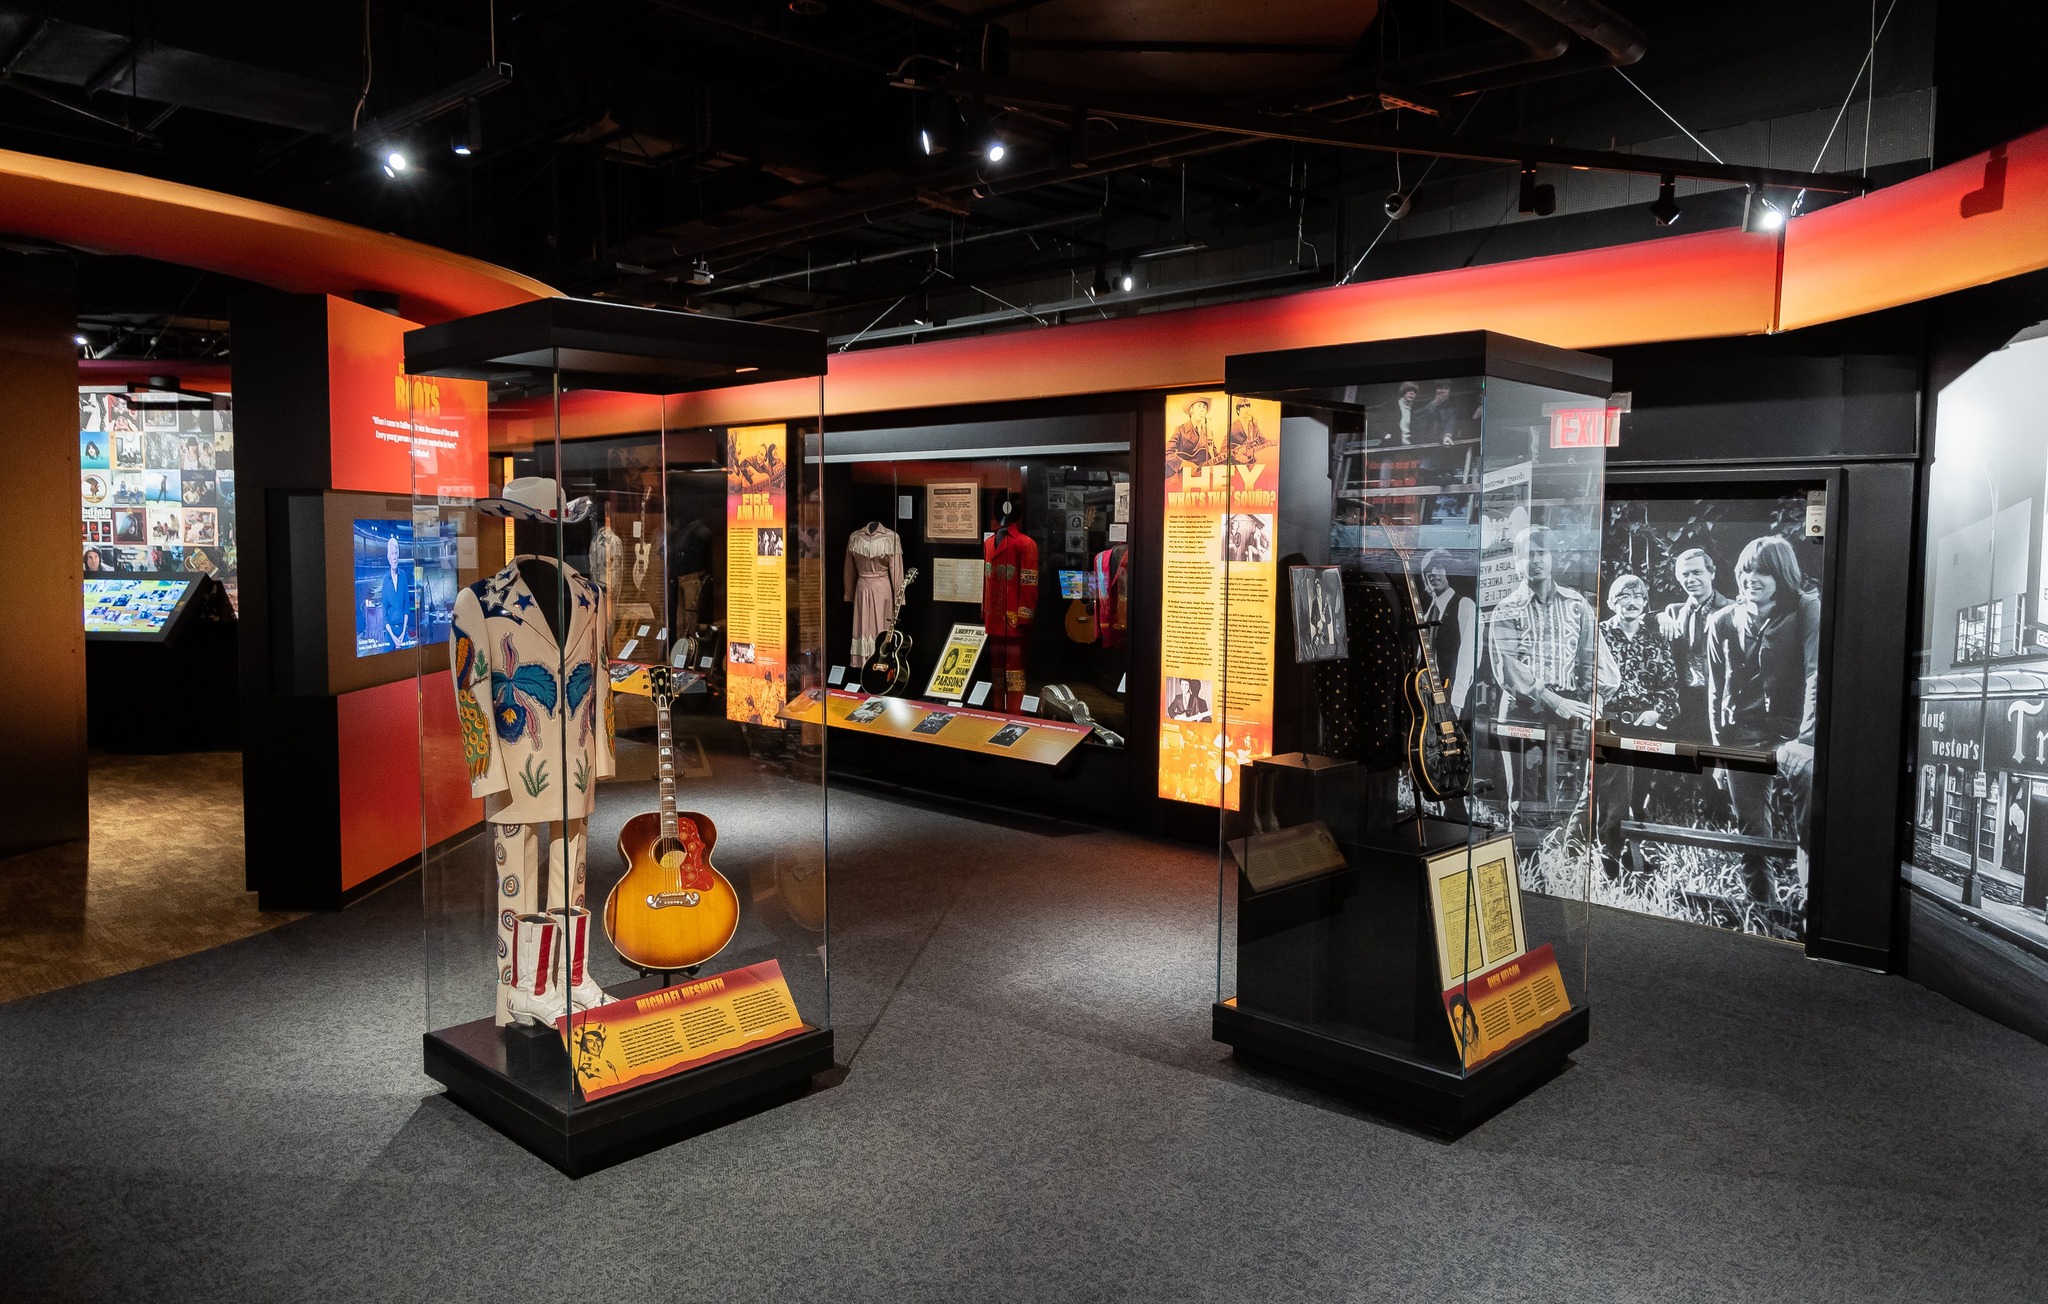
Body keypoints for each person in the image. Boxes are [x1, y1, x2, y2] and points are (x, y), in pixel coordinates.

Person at [1705, 534, 1821, 904]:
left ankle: (1812, 905)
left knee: (1810, 783)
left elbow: (1815, 675)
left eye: (1763, 572)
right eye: (1746, 571)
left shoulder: (1806, 608)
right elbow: (1715, 691)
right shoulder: (1722, 620)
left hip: (1791, 736)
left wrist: (1807, 742)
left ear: (1782, 574)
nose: (1751, 579)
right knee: (1750, 830)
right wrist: (1719, 753)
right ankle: (1761, 908)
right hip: (1741, 734)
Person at [1487, 526, 1596, 818]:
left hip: (1567, 710)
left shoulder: (1577, 605)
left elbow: (1590, 659)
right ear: (1517, 562)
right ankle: (1523, 844)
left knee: (1563, 798)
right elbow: (1508, 669)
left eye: (1542, 553)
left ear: (1552, 557)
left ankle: (1558, 848)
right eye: (1528, 554)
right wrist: (1553, 700)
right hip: (1522, 710)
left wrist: (1585, 704)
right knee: (1524, 802)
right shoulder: (1507, 608)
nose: (1536, 560)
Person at [1594, 574, 1679, 880]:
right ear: (1611, 602)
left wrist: (1656, 712)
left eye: (1638, 597)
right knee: (1613, 795)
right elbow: (1587, 678)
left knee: (1638, 795)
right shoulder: (1599, 635)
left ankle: (1633, 858)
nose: (1631, 603)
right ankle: (1609, 859)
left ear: (1645, 602)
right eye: (1623, 597)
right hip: (1610, 724)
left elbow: (1670, 686)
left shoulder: (1655, 637)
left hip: (1646, 726)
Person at [1656, 548, 1732, 738]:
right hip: (1685, 705)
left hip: (1720, 701)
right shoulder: (1674, 612)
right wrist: (1659, 616)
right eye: (1685, 574)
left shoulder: (1732, 610)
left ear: (1712, 573)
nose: (1691, 580)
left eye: (1697, 572)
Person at [1418, 549, 1476, 714]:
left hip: (1454, 702)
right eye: (1428, 570)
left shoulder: (1464, 605)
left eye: (1439, 566)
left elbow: (1468, 656)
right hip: (1427, 700)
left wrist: (1456, 701)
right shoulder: (1427, 614)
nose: (1433, 573)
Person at [378, 532, 413, 650]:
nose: (394, 557)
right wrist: (393, 637)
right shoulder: (385, 580)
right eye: (392, 554)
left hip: (403, 631)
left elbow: (406, 607)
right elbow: (384, 614)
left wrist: (403, 633)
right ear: (388, 557)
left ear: (398, 556)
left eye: (396, 553)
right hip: (390, 633)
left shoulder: (403, 576)